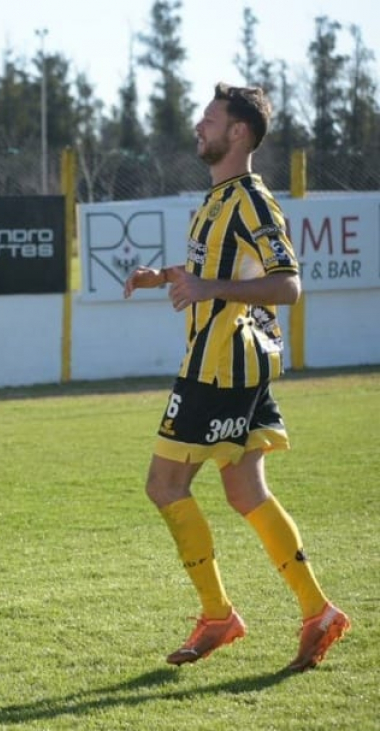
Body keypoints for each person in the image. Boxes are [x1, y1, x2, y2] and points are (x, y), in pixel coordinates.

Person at [124, 83, 350, 672]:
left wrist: (207, 288)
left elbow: (288, 284)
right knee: (247, 491)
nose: (199, 126)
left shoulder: (250, 199)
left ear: (239, 133)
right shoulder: (216, 199)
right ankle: (317, 612)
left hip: (218, 369)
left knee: (165, 486)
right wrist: (163, 276)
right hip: (235, 367)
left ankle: (219, 615)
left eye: (210, 118)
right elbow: (211, 270)